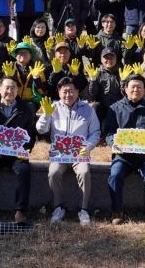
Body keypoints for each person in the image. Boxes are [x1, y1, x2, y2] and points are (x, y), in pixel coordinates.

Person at [36, 77, 100, 225]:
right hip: (59, 155)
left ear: (77, 91)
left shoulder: (88, 109)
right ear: (59, 92)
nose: (68, 95)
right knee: (53, 173)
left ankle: (83, 209)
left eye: (71, 91)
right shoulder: (53, 107)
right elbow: (41, 129)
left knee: (84, 172)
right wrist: (46, 115)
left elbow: (95, 132)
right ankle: (58, 207)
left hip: (80, 153)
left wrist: (88, 147)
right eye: (64, 91)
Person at [0, 76, 37, 225]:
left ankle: (20, 211)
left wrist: (25, 148)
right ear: (0, 89)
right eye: (7, 87)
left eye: (13, 88)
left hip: (16, 153)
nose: (10, 91)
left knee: (24, 170)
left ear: (17, 90)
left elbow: (31, 134)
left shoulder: (26, 109)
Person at [103, 74, 145, 225]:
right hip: (122, 156)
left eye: (139, 87)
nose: (136, 90)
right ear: (125, 89)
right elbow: (109, 133)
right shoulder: (115, 109)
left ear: (144, 90)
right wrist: (114, 143)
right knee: (115, 175)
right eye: (133, 87)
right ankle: (117, 211)